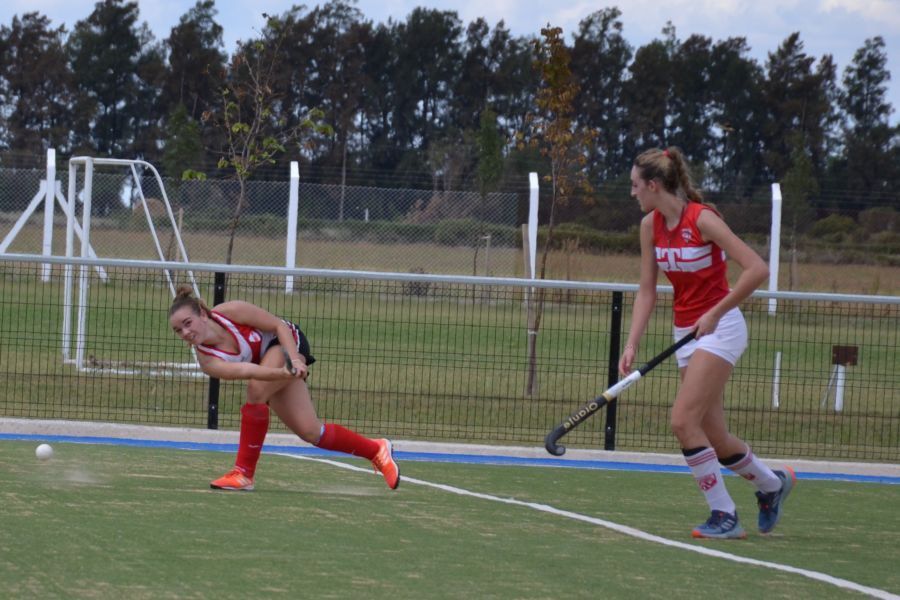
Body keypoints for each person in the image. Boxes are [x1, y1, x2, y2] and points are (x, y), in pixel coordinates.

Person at [619, 147, 794, 539]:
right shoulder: (650, 226)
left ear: (654, 185)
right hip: (685, 333)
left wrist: (716, 311)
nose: (632, 194)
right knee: (713, 435)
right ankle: (771, 485)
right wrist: (632, 343)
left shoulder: (704, 219)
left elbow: (757, 269)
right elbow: (647, 290)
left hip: (722, 327)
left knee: (682, 421)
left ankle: (724, 514)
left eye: (635, 186)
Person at [168, 285, 400, 491]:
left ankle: (243, 473)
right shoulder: (208, 361)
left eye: (187, 323)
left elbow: (278, 326)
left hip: (287, 342)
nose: (186, 333)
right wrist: (281, 373)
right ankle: (376, 450)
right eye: (179, 330)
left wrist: (296, 361)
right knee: (311, 432)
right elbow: (251, 371)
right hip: (268, 368)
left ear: (202, 314)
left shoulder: (230, 311)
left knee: (256, 392)